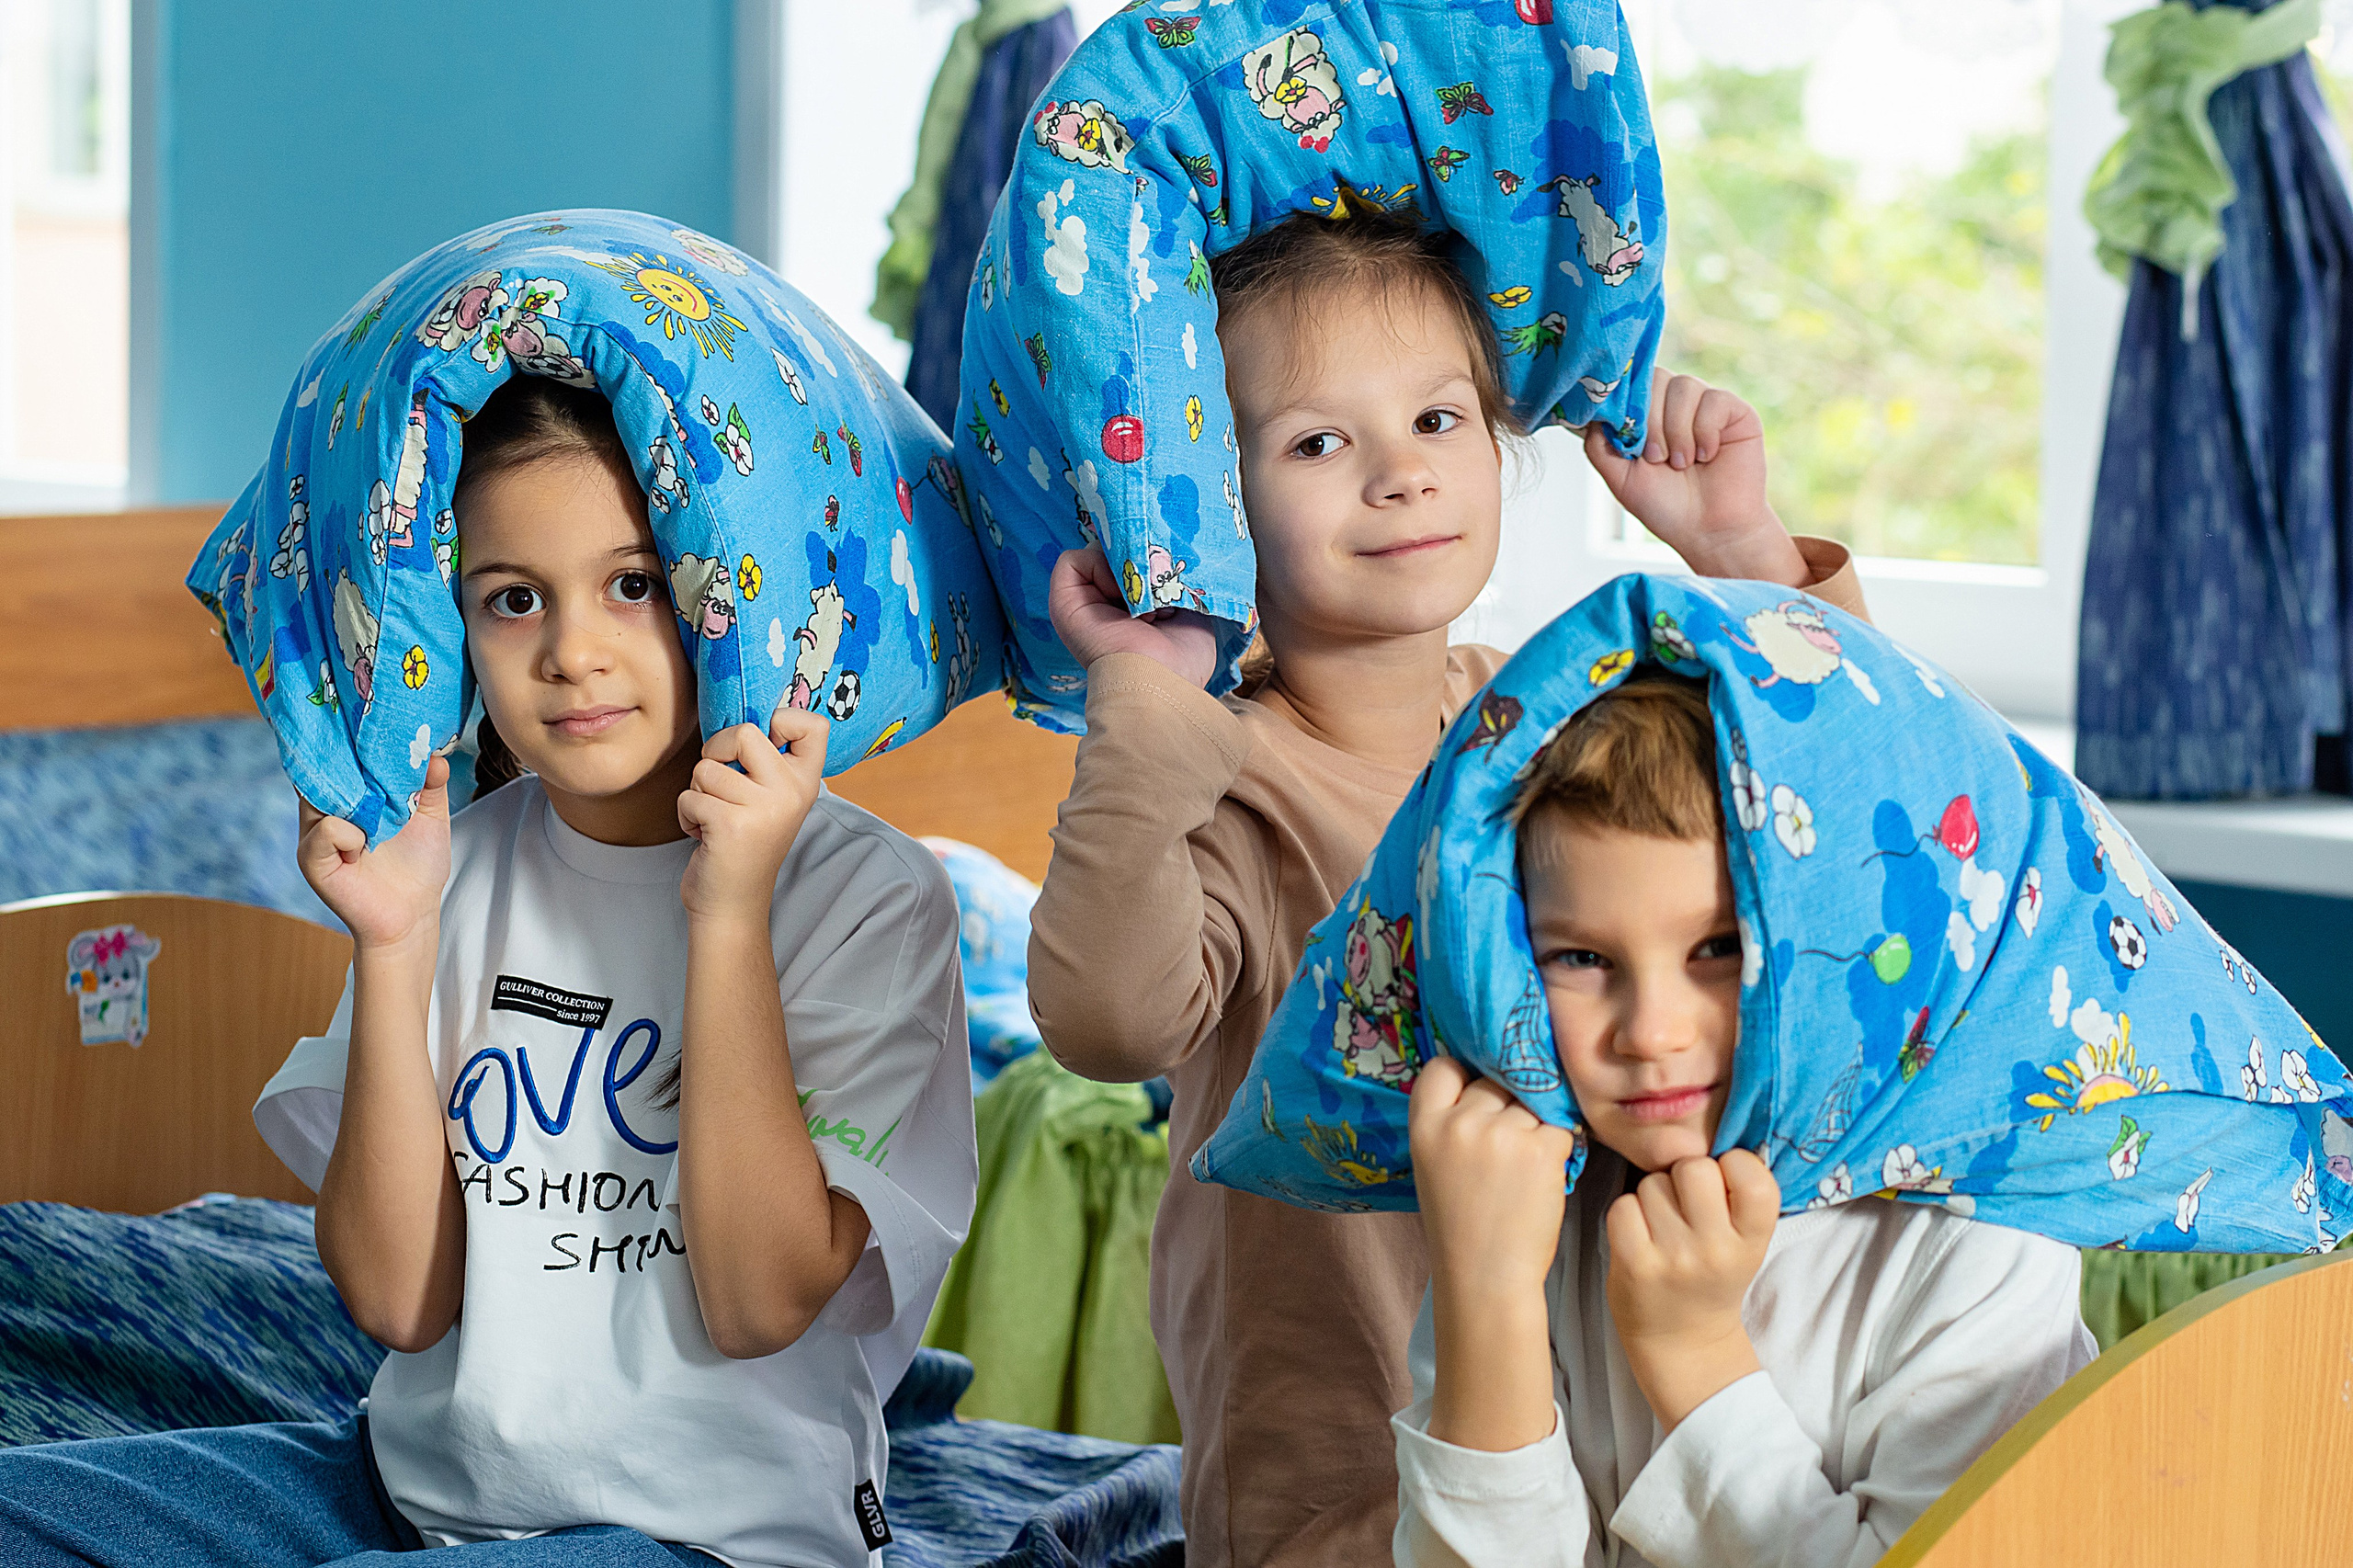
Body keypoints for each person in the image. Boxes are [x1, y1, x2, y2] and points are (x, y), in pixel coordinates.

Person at [0, 377, 975, 1568]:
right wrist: (396, 940)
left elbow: (757, 1301)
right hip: (405, 1488)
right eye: (514, 599)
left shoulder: (869, 895)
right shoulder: (447, 871)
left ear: (727, 599)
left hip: (711, 1540)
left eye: (634, 585)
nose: (572, 650)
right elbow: (402, 1303)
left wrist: (728, 913)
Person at [1025, 206, 1875, 1567]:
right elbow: (1104, 1022)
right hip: (1341, 1488)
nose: (1399, 477)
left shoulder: (1550, 717)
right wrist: (1140, 705)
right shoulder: (1224, 778)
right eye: (1316, 443)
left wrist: (1746, 556)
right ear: (1212, 495)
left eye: (1436, 420)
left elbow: (1829, 827)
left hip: (1593, 1461)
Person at [1398, 674, 2096, 1567]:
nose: (1649, 1031)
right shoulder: (1521, 1200)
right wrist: (1485, 1291)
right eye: (1580, 955)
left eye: (1719, 947)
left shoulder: (1986, 1239)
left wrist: (1693, 1356)